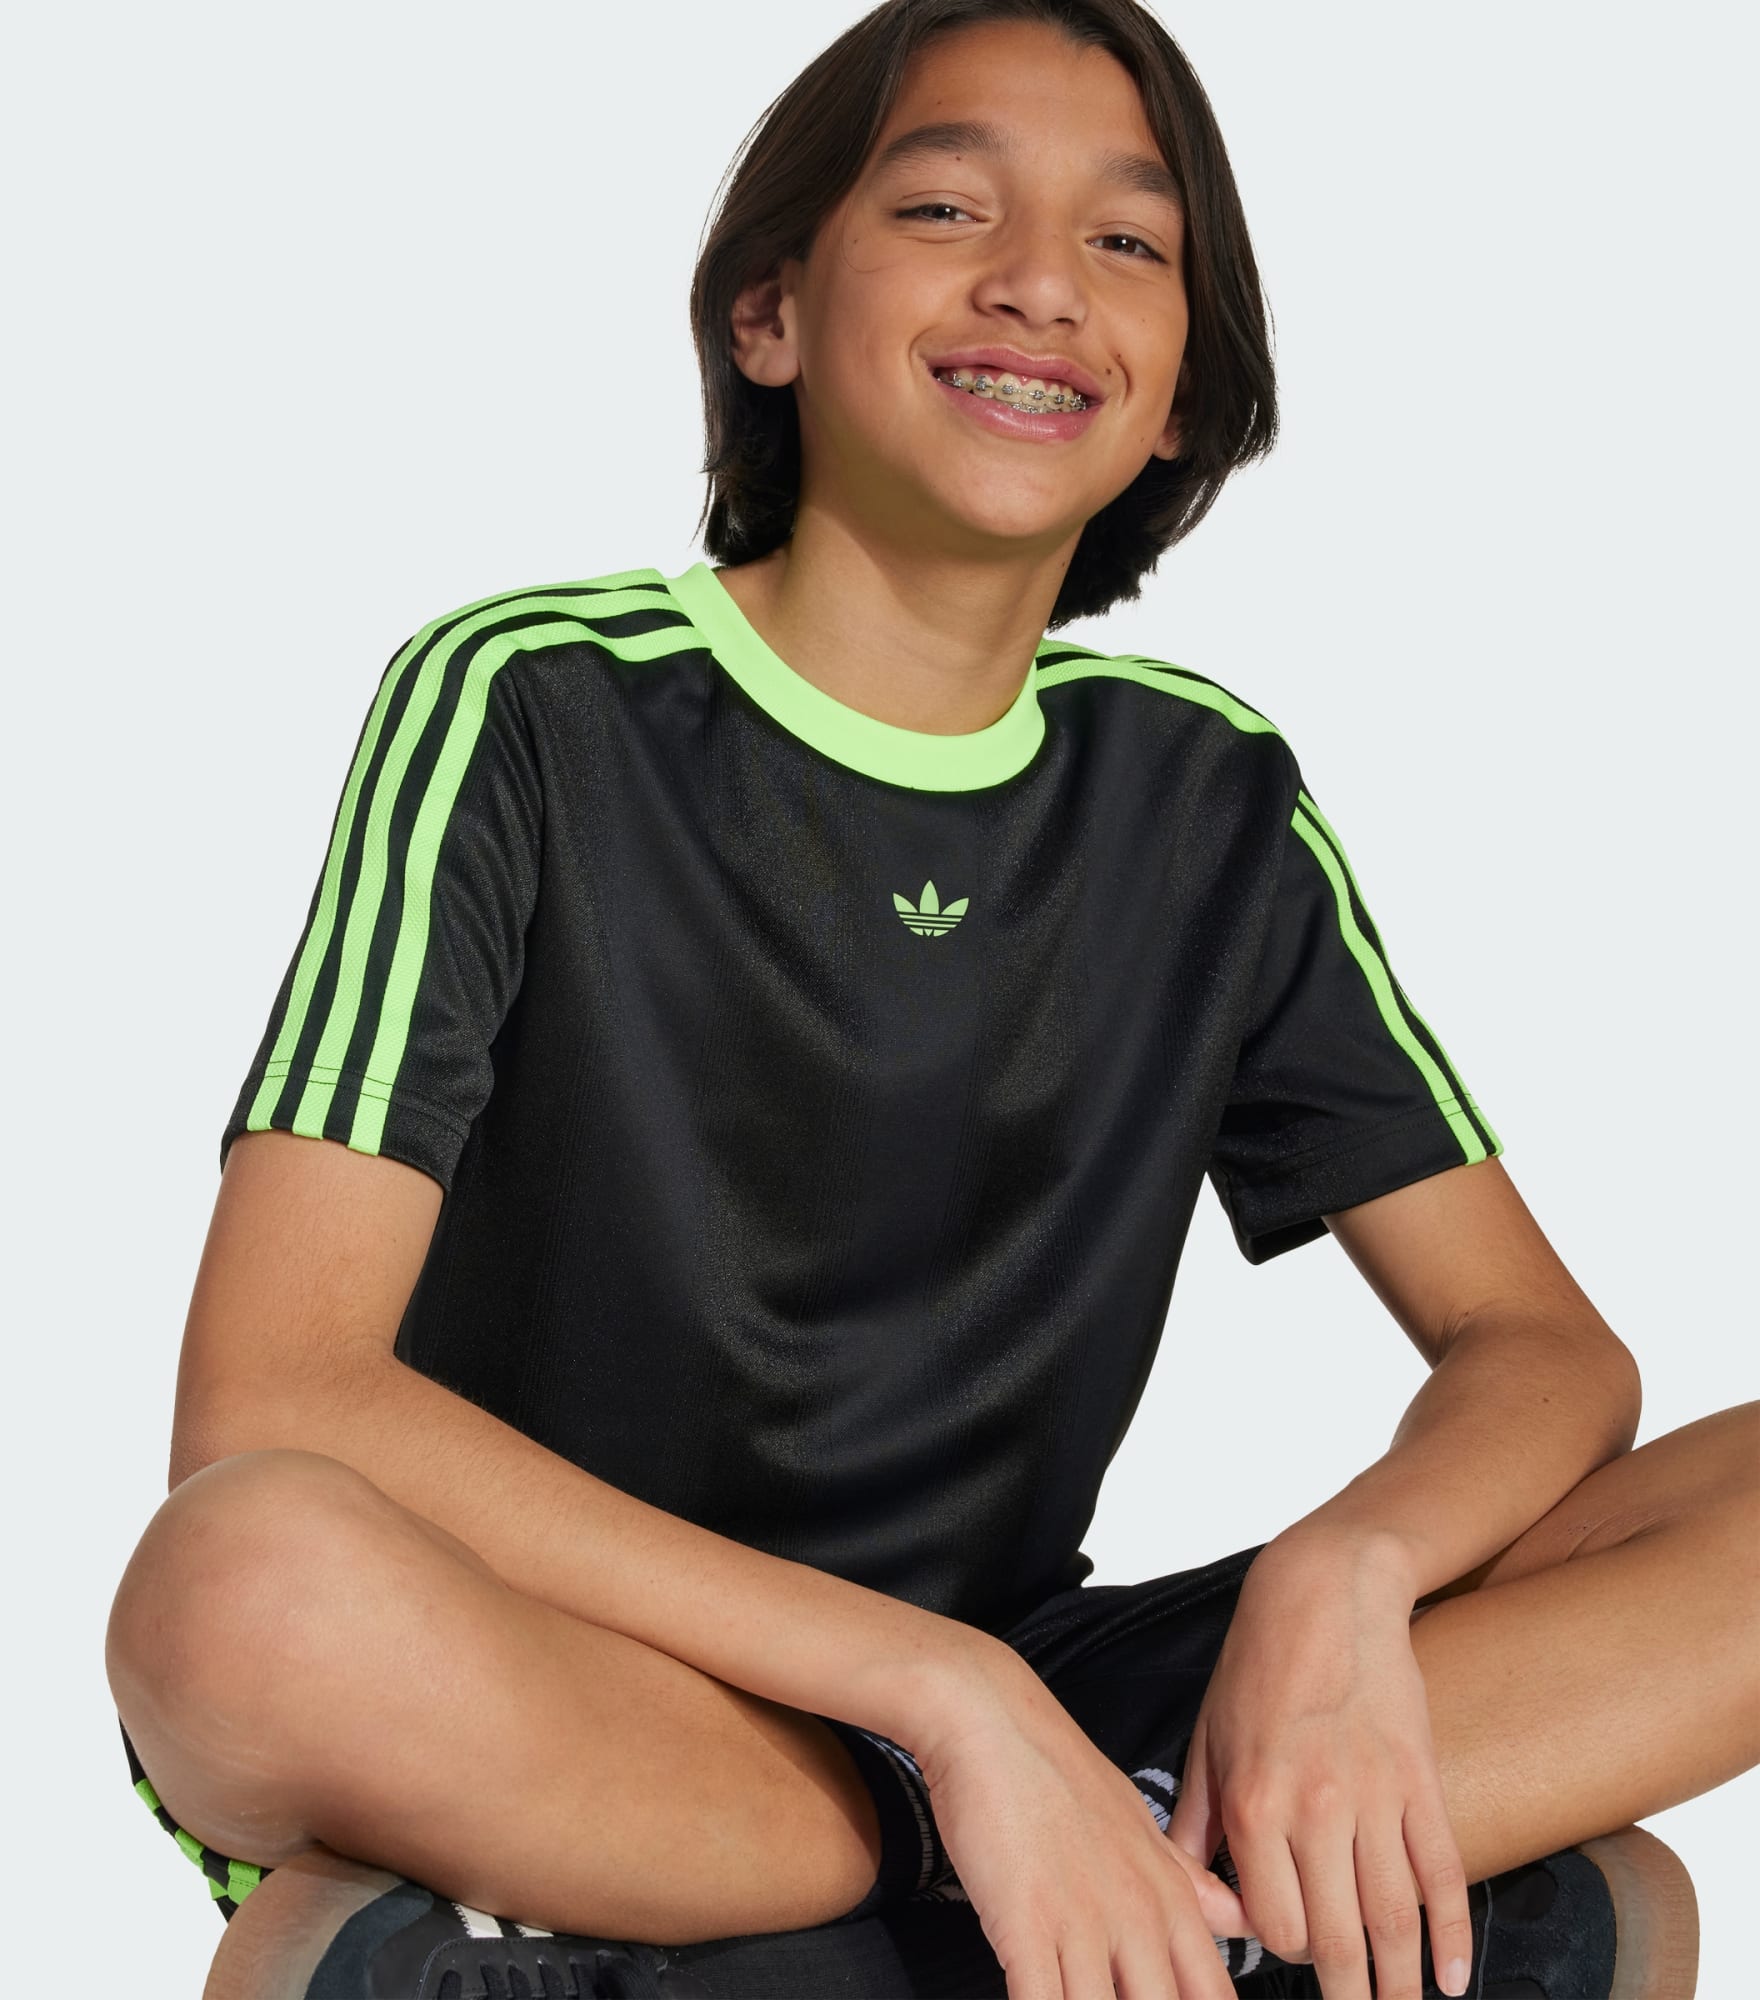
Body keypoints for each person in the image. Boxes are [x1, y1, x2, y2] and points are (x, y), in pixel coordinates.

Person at [105, 3, 1759, 1996]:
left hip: (1060, 1697)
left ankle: (754, 1942)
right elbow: (271, 1395)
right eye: (946, 207)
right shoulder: (530, 704)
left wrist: (1344, 1587)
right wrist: (941, 1701)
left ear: (1177, 397)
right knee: (242, 1586)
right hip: (618, 1698)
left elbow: (1539, 1349)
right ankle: (1189, 1912)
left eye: (1127, 242)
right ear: (770, 314)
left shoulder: (1201, 792)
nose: (1041, 281)